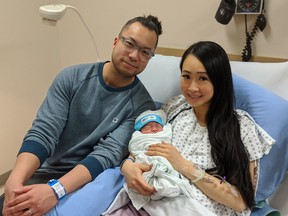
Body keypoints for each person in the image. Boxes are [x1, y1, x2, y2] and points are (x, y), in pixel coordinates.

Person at [1, 15, 163, 216]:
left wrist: (56, 190)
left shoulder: (141, 106)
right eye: (130, 43)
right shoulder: (71, 77)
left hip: (81, 183)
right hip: (41, 172)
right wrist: (15, 180)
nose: (134, 55)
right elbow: (44, 132)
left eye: (145, 52)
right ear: (115, 41)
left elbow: (106, 154)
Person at [120, 41, 275, 216]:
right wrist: (128, 166)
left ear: (219, 81)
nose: (192, 87)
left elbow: (240, 202)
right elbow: (145, 143)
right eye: (186, 76)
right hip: (151, 199)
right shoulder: (174, 108)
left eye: (203, 78)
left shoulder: (241, 127)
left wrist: (184, 166)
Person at [109, 109, 194, 212]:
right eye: (148, 127)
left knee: (165, 169)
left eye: (157, 126)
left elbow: (164, 120)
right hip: (144, 158)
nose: (154, 129)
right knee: (143, 176)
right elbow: (135, 148)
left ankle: (164, 185)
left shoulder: (167, 131)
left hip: (164, 158)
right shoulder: (138, 137)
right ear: (139, 131)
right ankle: (153, 187)